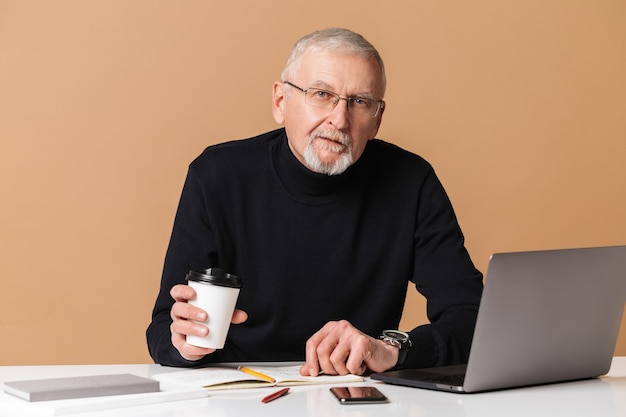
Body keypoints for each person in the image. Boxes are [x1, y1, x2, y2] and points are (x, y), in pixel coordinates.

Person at [146, 28, 483, 376]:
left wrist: (391, 349)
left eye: (360, 102)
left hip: (355, 388)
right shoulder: (217, 176)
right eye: (322, 94)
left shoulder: (412, 182)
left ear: (377, 120)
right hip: (238, 387)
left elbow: (473, 319)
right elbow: (162, 332)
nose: (339, 120)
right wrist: (184, 343)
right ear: (280, 102)